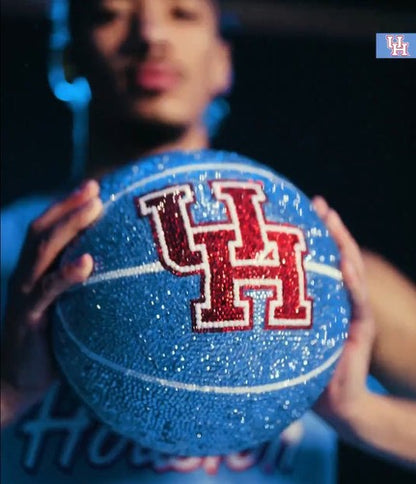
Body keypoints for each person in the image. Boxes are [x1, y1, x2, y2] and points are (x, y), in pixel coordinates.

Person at [1, 0, 415, 482]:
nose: (151, 35)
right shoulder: (11, 253)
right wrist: (10, 390)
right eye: (109, 14)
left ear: (223, 62)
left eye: (183, 13)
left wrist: (361, 412)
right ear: (66, 58)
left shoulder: (322, 266)